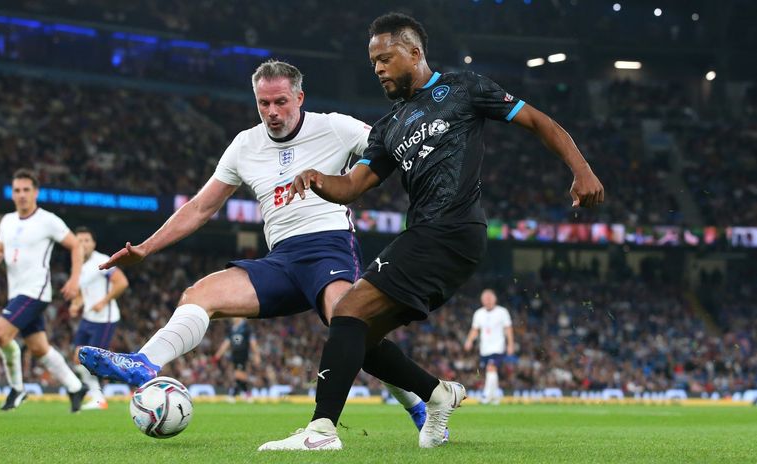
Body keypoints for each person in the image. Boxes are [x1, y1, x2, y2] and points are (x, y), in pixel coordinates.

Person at [259, 12, 604, 451]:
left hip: (452, 229)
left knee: (346, 313)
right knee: (357, 334)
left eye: (385, 58)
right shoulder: (386, 129)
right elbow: (353, 186)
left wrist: (582, 170)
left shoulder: (464, 88)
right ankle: (438, 394)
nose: (379, 69)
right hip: (430, 236)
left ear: (414, 52)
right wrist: (318, 179)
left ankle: (322, 431)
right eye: (373, 63)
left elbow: (538, 121)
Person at [78, 60, 435, 434]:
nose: (272, 112)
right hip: (280, 259)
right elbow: (201, 206)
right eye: (263, 104)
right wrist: (147, 248)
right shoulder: (245, 145)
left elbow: (390, 146)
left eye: (280, 102)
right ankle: (145, 363)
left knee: (352, 326)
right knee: (200, 294)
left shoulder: (333, 126)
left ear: (300, 97)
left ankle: (418, 401)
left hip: (328, 247)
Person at [0, 169, 88, 412]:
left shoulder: (48, 220)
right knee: (39, 348)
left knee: (1, 333)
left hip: (36, 291)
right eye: (17, 190)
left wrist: (75, 280)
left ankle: (16, 389)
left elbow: (76, 246)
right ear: (12, 193)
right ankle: (76, 387)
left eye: (26, 190)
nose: (21, 195)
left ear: (36, 193)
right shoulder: (7, 221)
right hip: (16, 292)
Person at [69, 226, 130, 410]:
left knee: (93, 360)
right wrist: (76, 304)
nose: (82, 244)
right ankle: (94, 394)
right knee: (77, 358)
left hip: (105, 318)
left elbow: (122, 282)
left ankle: (99, 399)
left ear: (93, 243)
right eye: (79, 240)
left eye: (86, 240)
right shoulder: (78, 265)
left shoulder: (102, 260)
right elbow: (82, 293)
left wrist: (104, 301)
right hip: (88, 318)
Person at [463, 289, 514, 405]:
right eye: (485, 299)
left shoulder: (502, 312)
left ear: (495, 299)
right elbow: (475, 329)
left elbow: (508, 329)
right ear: (482, 301)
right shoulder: (478, 313)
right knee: (491, 371)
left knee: (491, 368)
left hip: (498, 347)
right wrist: (469, 341)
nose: (488, 301)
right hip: (485, 349)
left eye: (490, 298)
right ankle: (495, 397)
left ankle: (486, 396)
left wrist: (510, 344)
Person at [212, 318, 261, 402]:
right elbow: (226, 343)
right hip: (234, 355)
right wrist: (218, 355)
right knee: (240, 376)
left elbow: (253, 342)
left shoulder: (246, 328)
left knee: (238, 375)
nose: (233, 318)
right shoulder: (232, 329)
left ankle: (234, 394)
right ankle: (247, 394)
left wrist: (257, 355)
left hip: (243, 354)